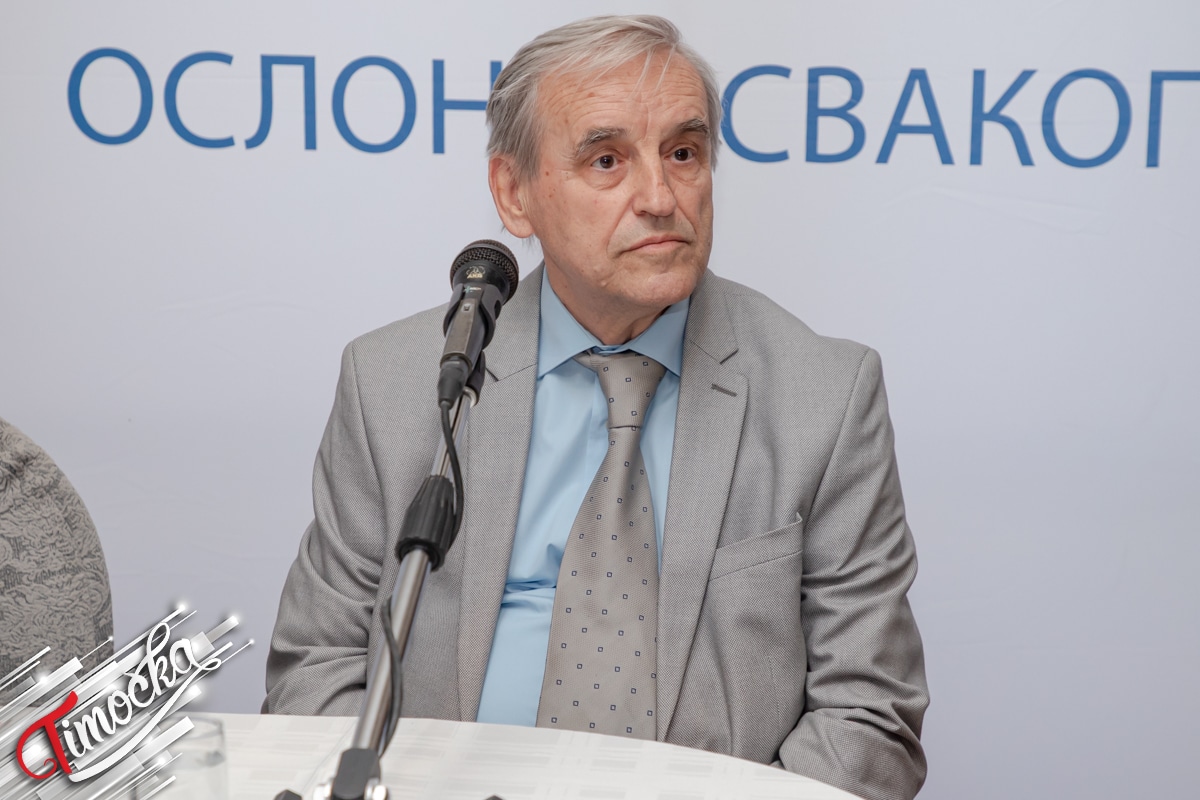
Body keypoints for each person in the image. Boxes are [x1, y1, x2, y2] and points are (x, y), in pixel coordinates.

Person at [265, 15, 928, 800]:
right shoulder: (399, 384)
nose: (660, 198)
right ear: (514, 194)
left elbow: (868, 717)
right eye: (606, 160)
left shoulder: (826, 396)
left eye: (683, 153)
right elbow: (315, 672)